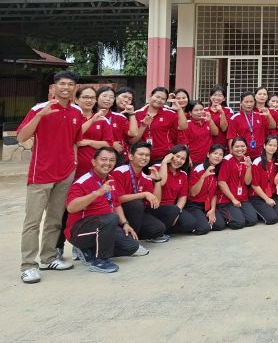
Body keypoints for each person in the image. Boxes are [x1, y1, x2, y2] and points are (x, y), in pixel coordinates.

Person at [17, 70, 84, 283]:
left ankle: (47, 258)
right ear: (53, 88)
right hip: (41, 174)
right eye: (62, 83)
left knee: (55, 220)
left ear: (75, 88)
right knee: (33, 221)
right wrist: (39, 116)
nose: (66, 87)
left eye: (70, 84)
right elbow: (21, 137)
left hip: (65, 173)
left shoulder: (77, 111)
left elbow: (75, 141)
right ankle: (28, 265)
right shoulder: (38, 109)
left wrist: (73, 163)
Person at [65, 147, 143, 275]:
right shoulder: (82, 182)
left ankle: (89, 251)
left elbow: (116, 204)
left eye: (112, 160)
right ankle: (100, 261)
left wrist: (125, 223)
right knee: (111, 218)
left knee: (132, 246)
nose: (108, 163)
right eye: (103, 159)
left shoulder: (111, 179)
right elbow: (71, 207)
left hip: (104, 227)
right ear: (94, 162)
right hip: (79, 231)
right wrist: (96, 193)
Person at [112, 142, 169, 242]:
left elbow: (156, 202)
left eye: (147, 155)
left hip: (136, 213)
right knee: (136, 204)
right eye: (140, 154)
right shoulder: (119, 171)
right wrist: (143, 194)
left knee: (159, 229)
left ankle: (132, 235)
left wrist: (158, 181)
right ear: (131, 156)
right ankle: (130, 241)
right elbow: (117, 199)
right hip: (118, 212)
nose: (144, 157)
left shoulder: (145, 177)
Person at [216, 137, 258, 229]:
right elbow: (221, 182)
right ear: (232, 148)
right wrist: (233, 199)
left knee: (252, 220)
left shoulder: (246, 159)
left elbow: (247, 182)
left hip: (242, 198)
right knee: (238, 223)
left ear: (246, 147)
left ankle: (237, 214)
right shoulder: (227, 160)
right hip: (227, 200)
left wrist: (249, 167)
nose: (240, 149)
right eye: (237, 146)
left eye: (243, 146)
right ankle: (220, 212)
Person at [154, 145, 197, 234]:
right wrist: (164, 162)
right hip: (156, 207)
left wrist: (176, 212)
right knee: (172, 212)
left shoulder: (183, 174)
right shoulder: (156, 168)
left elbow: (182, 197)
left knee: (191, 223)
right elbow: (161, 182)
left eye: (182, 159)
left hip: (172, 208)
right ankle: (158, 231)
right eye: (177, 156)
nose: (178, 160)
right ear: (170, 155)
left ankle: (165, 230)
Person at [185, 144, 226, 234]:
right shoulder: (198, 169)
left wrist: (212, 209)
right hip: (194, 205)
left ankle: (203, 219)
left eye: (220, 154)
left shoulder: (218, 170)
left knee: (220, 225)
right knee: (204, 229)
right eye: (215, 153)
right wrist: (203, 177)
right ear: (208, 155)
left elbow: (215, 193)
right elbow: (193, 193)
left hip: (207, 205)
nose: (218, 156)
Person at [134, 87, 181, 162]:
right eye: (157, 97)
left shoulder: (170, 114)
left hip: (164, 155)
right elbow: (133, 138)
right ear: (151, 96)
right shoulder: (137, 114)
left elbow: (180, 130)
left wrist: (179, 109)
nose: (159, 100)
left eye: (163, 99)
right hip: (143, 155)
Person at [250, 136, 278, 224]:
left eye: (275, 145)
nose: (272, 147)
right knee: (272, 219)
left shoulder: (277, 161)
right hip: (257, 197)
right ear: (264, 146)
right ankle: (256, 210)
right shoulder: (257, 162)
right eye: (270, 145)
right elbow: (254, 185)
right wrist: (267, 199)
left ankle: (266, 210)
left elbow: (275, 182)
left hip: (272, 194)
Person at [228, 91, 275, 159]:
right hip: (243, 153)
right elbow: (231, 137)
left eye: (251, 101)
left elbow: (272, 126)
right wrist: (232, 153)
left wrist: (269, 116)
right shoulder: (235, 118)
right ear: (241, 103)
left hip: (260, 153)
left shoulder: (260, 115)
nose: (249, 104)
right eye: (246, 102)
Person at [178, 100, 220, 166]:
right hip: (194, 160)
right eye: (196, 110)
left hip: (209, 159)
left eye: (201, 109)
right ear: (190, 112)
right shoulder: (186, 124)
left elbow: (215, 133)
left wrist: (210, 120)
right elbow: (183, 144)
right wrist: (188, 158)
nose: (199, 112)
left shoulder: (207, 121)